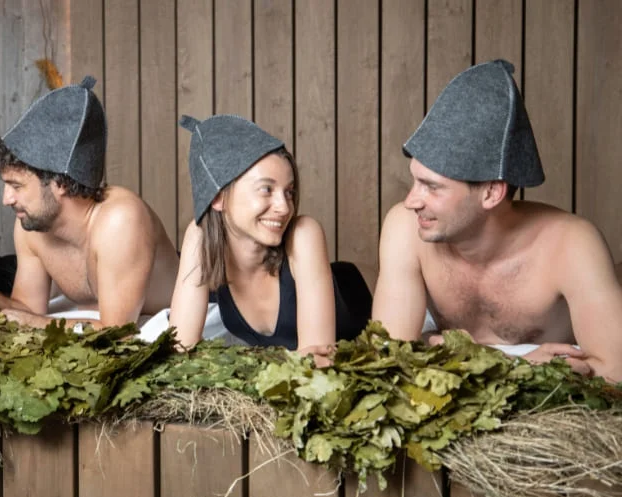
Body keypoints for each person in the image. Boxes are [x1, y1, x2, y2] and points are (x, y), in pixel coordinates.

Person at [371, 59, 622, 382]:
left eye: (432, 187)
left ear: (491, 192)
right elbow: (385, 361)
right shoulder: (404, 228)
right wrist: (511, 362)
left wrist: (450, 352)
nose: (411, 201)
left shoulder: (572, 245)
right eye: (415, 181)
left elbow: (614, 370)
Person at [0, 76, 179, 330]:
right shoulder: (31, 225)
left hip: (166, 325)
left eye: (17, 186)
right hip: (99, 324)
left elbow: (117, 333)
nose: (6, 199)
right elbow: (27, 310)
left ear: (61, 183)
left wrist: (35, 323)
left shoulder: (120, 221)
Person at [169, 114, 371, 364]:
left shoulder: (303, 235)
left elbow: (318, 360)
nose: (285, 207)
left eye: (289, 192)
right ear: (217, 197)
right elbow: (179, 350)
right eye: (266, 189)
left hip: (350, 301)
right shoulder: (200, 237)